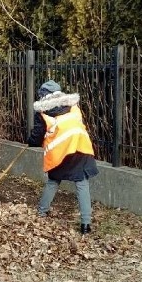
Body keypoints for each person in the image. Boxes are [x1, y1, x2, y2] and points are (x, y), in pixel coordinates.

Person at [25, 80, 99, 234]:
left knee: (53, 181)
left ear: (43, 95)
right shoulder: (73, 106)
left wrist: (31, 142)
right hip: (80, 147)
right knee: (82, 184)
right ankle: (85, 225)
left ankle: (41, 212)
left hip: (60, 152)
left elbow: (38, 135)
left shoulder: (43, 111)